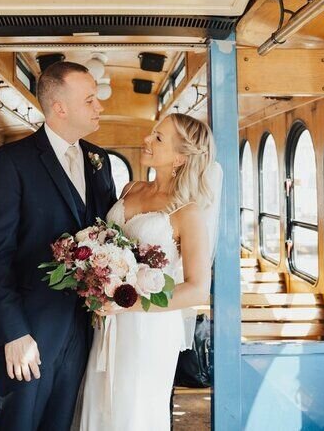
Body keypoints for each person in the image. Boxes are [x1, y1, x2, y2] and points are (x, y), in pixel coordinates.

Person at [0, 61, 118, 430]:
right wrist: (14, 333)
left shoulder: (99, 161)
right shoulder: (11, 162)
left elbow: (108, 234)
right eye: (90, 100)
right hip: (29, 330)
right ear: (60, 108)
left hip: (83, 325)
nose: (99, 107)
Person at [78, 113, 222, 431]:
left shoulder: (189, 212)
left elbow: (198, 289)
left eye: (159, 137)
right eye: (152, 132)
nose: (147, 139)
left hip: (149, 328)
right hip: (107, 320)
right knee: (99, 404)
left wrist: (129, 302)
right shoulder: (131, 188)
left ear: (181, 157)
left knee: (134, 410)